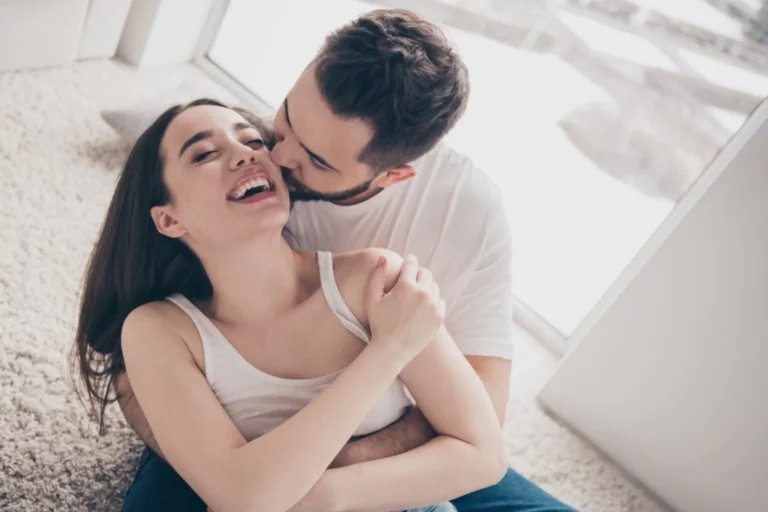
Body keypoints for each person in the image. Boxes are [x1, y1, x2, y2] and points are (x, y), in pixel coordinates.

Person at [113, 8, 576, 512]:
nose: (277, 156)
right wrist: (225, 467)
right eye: (284, 119)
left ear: (392, 176)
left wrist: (324, 483)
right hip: (224, 428)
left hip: (384, 435)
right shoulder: (266, 150)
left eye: (316, 160)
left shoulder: (447, 227)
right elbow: (133, 365)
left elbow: (481, 424)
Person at [74, 98, 509, 512]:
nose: (245, 154)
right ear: (169, 219)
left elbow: (484, 453)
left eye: (253, 141)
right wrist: (389, 350)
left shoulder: (373, 278)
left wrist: (319, 496)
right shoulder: (160, 329)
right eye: (204, 153)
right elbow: (239, 496)